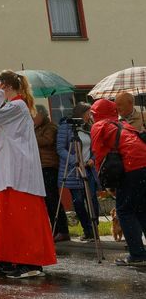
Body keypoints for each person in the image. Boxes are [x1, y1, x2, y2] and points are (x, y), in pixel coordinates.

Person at [0, 70, 56, 278]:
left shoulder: (18, 105)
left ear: (4, 86)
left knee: (24, 217)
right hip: (11, 169)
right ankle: (15, 257)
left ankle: (30, 262)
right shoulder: (13, 107)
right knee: (12, 219)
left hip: (20, 171)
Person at [90, 98, 146, 266]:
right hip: (143, 164)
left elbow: (99, 154)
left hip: (131, 168)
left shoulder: (99, 126)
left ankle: (137, 254)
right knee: (142, 209)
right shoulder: (121, 123)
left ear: (96, 114)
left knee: (124, 211)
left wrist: (107, 183)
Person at [56, 102, 99, 242]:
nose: (90, 115)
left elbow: (94, 147)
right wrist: (75, 159)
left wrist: (92, 158)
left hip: (88, 169)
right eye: (88, 113)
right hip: (74, 170)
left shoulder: (89, 127)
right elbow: (60, 148)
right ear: (81, 113)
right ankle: (87, 229)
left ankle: (94, 229)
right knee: (79, 201)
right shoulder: (66, 127)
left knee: (92, 199)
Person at [33, 104, 70, 242]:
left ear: (42, 115)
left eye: (35, 115)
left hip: (49, 166)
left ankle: (62, 229)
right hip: (40, 166)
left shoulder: (51, 127)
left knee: (53, 199)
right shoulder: (37, 128)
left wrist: (31, 138)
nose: (33, 118)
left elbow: (47, 141)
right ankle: (54, 229)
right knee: (47, 200)